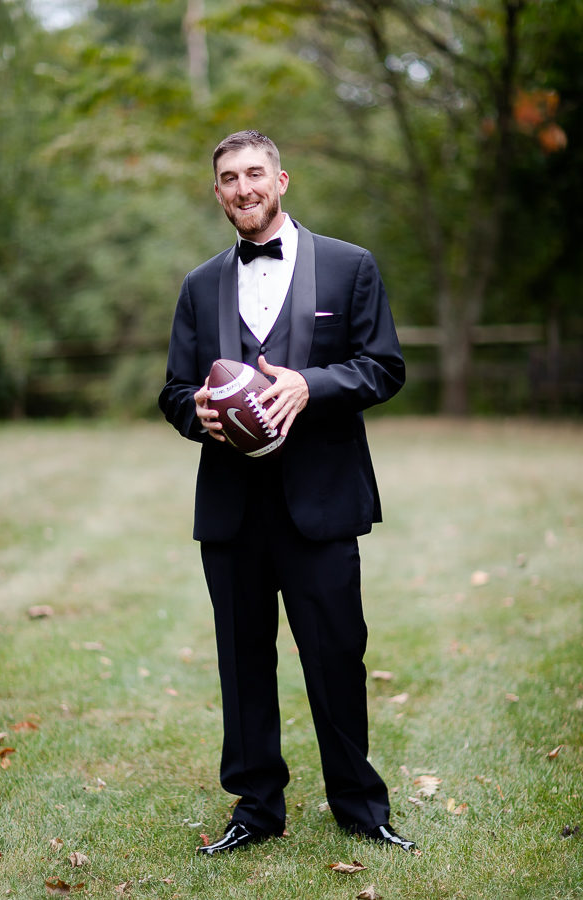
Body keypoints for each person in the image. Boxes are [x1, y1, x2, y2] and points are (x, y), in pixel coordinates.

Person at [159, 130, 415, 856]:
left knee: (336, 655)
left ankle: (361, 807)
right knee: (243, 662)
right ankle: (255, 808)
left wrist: (313, 385)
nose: (243, 188)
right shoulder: (199, 285)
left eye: (255, 174)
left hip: (322, 500)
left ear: (282, 179)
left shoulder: (348, 266)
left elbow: (384, 367)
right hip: (232, 507)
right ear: (217, 193)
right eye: (229, 179)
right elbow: (175, 390)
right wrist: (198, 415)